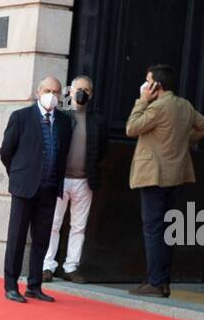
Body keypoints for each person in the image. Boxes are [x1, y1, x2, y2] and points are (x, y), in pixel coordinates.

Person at [125, 64, 204, 297]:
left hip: (153, 175)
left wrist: (141, 100)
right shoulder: (184, 105)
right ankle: (162, 280)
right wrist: (185, 140)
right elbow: (202, 125)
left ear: (156, 85)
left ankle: (155, 282)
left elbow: (131, 127)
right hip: (174, 175)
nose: (144, 85)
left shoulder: (158, 107)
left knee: (153, 229)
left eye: (147, 81)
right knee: (167, 229)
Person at [0, 75, 73, 302]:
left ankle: (35, 285)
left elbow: (63, 152)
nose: (52, 95)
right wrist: (19, 174)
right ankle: (11, 286)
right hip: (24, 188)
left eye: (56, 92)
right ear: (38, 92)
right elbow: (6, 152)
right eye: (48, 90)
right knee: (17, 238)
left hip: (50, 188)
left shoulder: (64, 121)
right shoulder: (20, 117)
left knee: (41, 239)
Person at [43, 74, 108, 283]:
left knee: (79, 226)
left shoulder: (97, 120)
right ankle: (47, 265)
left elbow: (103, 149)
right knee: (53, 223)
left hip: (84, 181)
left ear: (92, 94)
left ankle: (71, 266)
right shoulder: (61, 115)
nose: (82, 93)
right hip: (60, 179)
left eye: (86, 90)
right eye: (78, 89)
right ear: (69, 91)